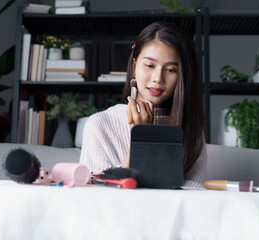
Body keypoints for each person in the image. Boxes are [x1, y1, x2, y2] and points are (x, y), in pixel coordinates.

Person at [79, 21, 206, 187]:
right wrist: (140, 137)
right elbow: (99, 195)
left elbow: (193, 196)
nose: (157, 78)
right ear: (134, 66)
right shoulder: (100, 124)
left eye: (170, 70)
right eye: (149, 65)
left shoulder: (192, 132)